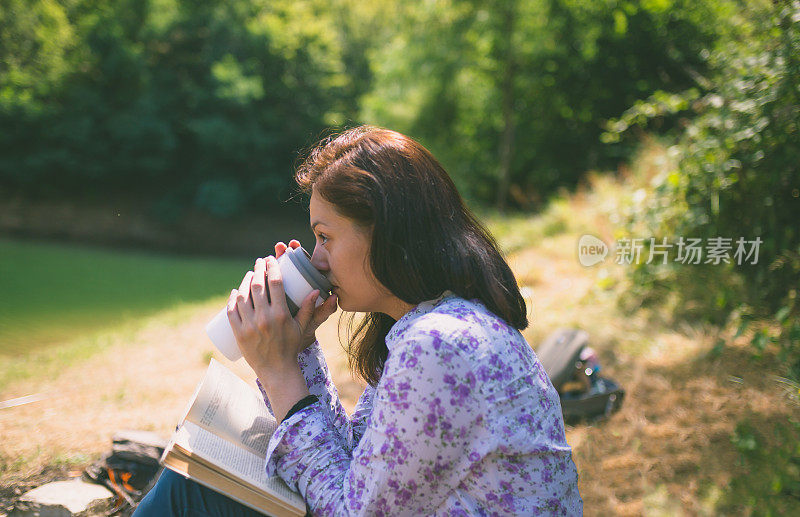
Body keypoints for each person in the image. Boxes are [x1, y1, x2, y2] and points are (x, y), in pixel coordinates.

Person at [135, 126, 582, 516]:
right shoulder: (436, 322)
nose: (317, 259)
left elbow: (351, 509)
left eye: (325, 236)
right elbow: (352, 462)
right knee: (195, 482)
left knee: (188, 494)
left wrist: (278, 372)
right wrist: (298, 348)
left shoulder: (439, 345)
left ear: (388, 233)